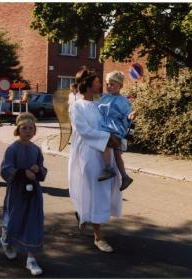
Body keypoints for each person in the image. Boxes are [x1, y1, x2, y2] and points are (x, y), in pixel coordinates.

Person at [68, 66, 123, 253]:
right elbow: (84, 131)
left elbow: (109, 124)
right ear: (89, 85)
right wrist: (106, 138)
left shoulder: (99, 105)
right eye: (98, 82)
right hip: (89, 154)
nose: (101, 84)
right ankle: (98, 237)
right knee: (95, 191)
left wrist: (118, 137)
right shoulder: (77, 106)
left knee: (104, 190)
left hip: (104, 152)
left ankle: (85, 216)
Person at [0, 112, 47, 276]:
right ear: (18, 130)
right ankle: (6, 241)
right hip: (17, 192)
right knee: (14, 218)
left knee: (33, 221)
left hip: (33, 194)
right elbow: (5, 169)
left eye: (31, 128)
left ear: (35, 131)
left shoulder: (36, 149)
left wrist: (38, 170)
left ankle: (31, 259)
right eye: (24, 128)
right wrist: (22, 173)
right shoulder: (12, 149)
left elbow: (42, 169)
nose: (28, 131)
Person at [97, 71, 135, 191]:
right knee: (117, 154)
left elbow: (128, 113)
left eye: (112, 84)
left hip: (114, 127)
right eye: (107, 84)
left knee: (107, 142)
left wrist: (130, 116)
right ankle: (125, 177)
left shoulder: (123, 101)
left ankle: (108, 169)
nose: (109, 87)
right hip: (105, 124)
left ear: (121, 86)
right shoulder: (103, 97)